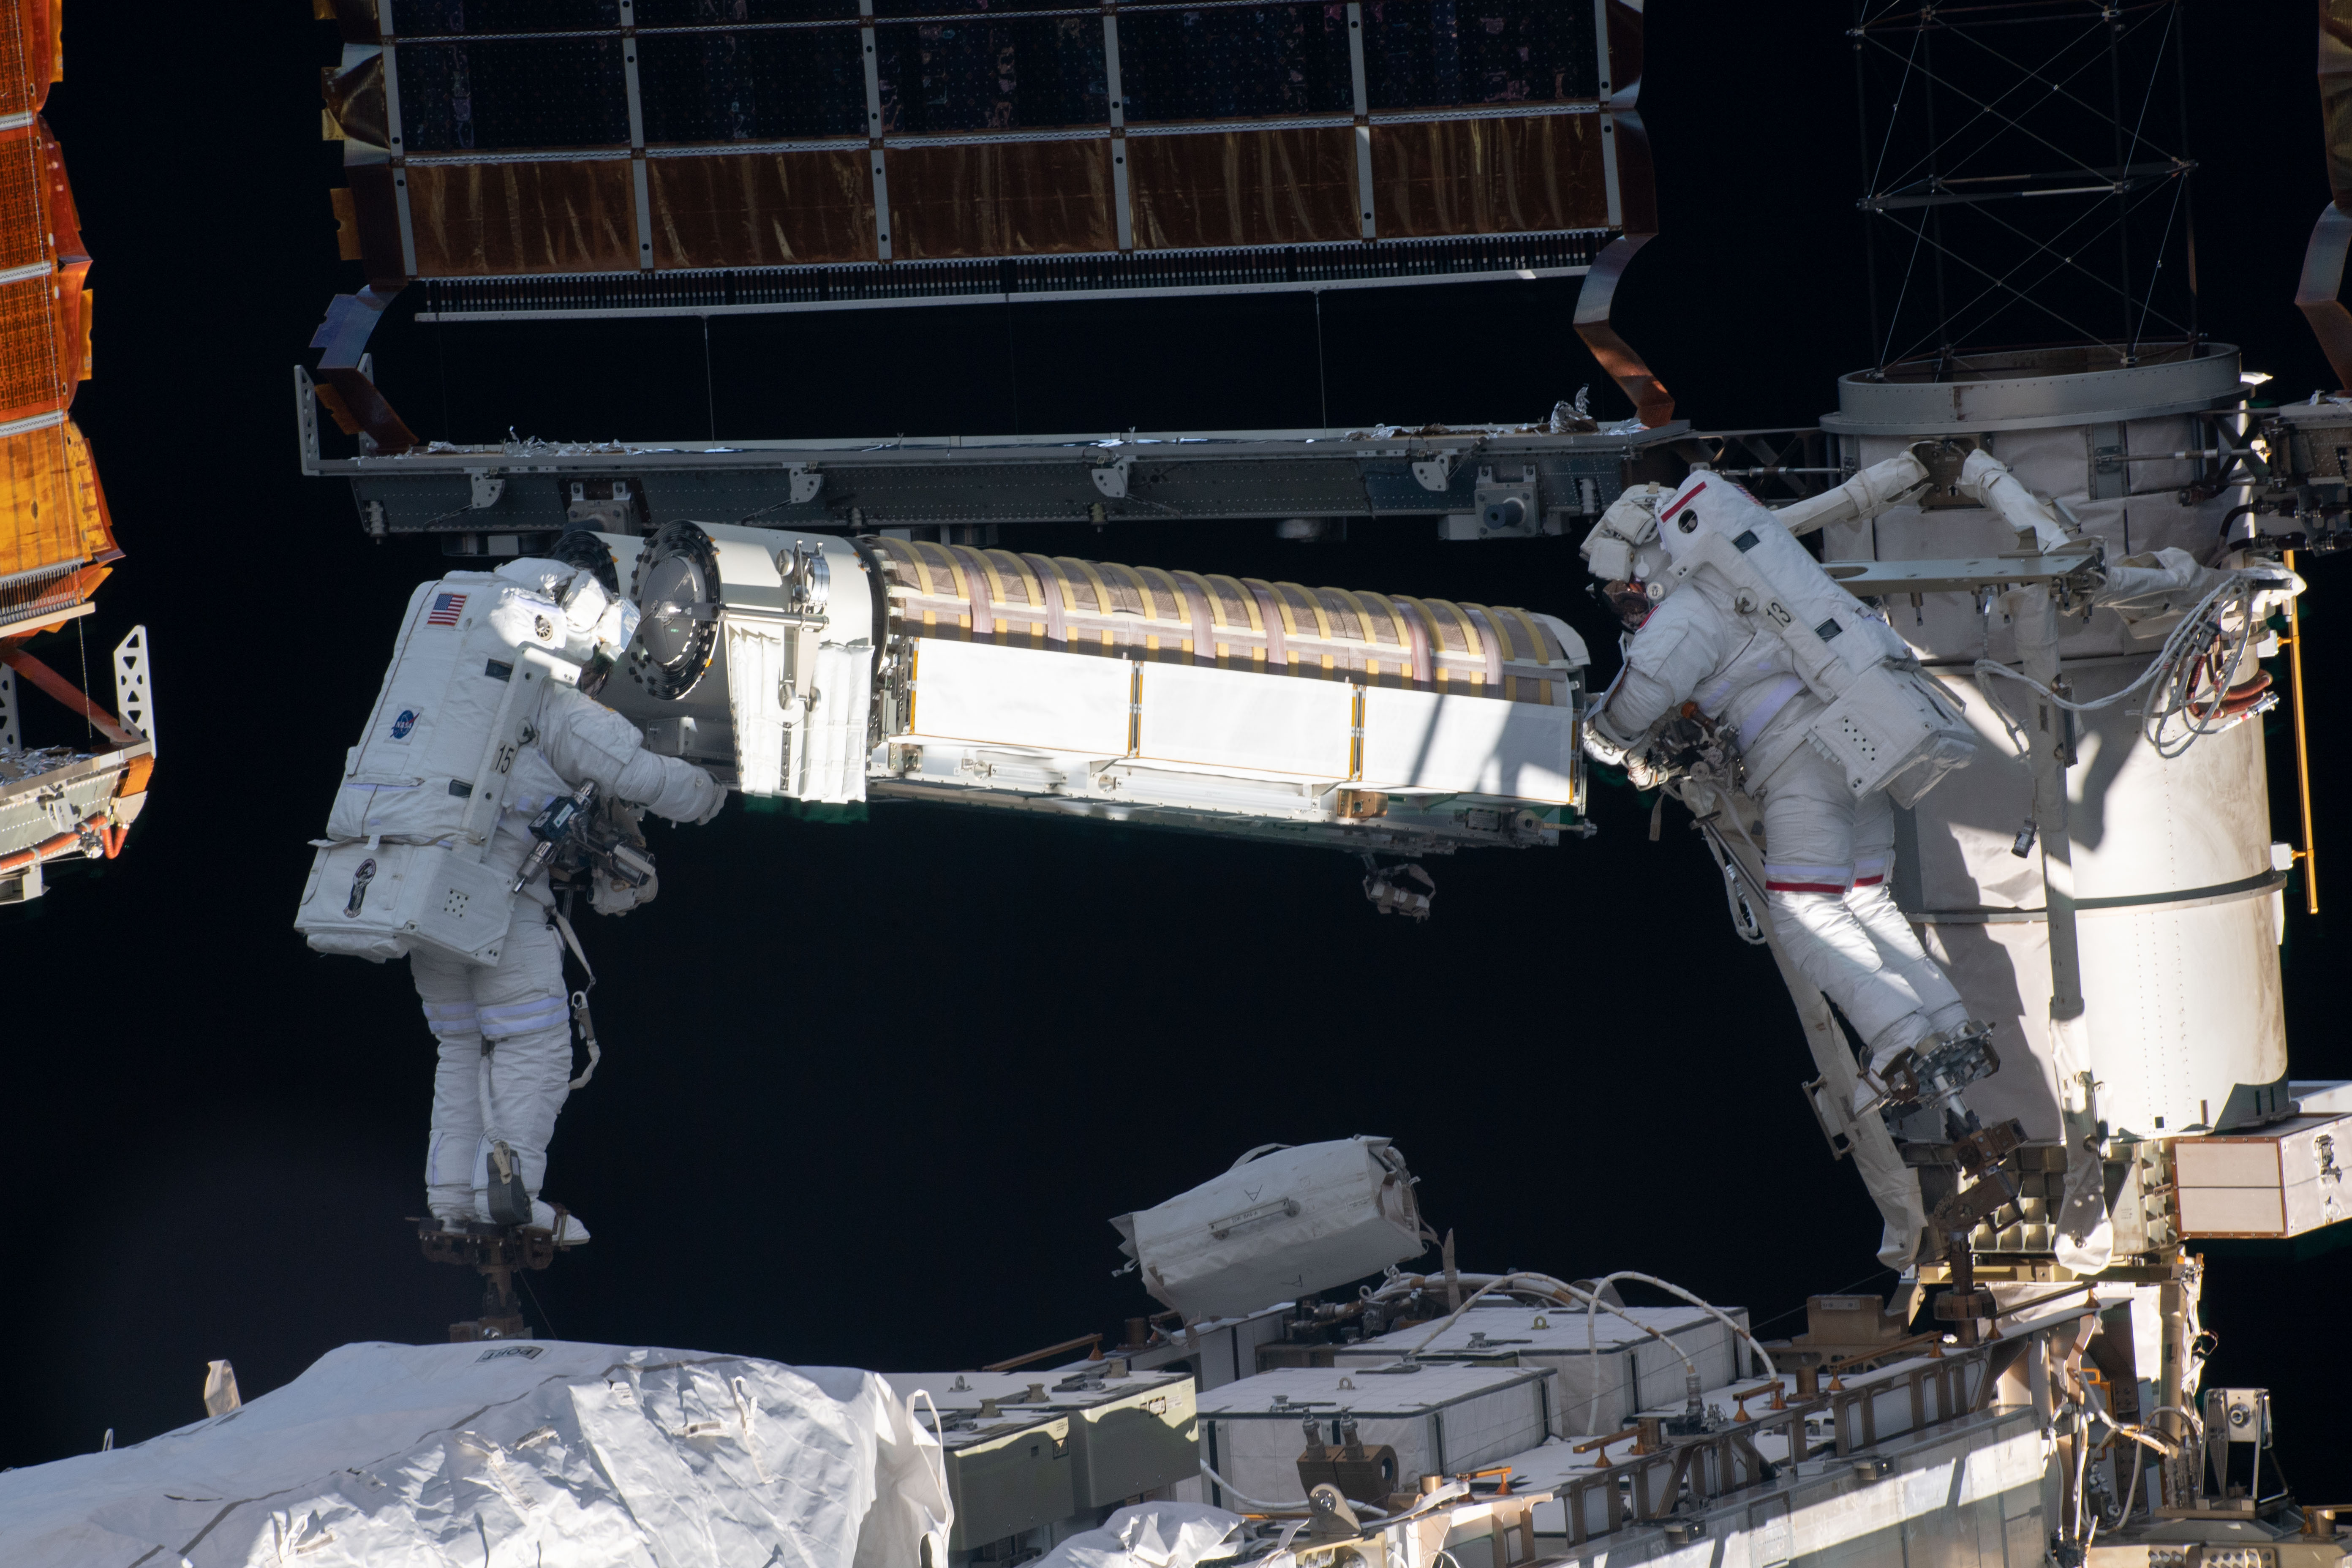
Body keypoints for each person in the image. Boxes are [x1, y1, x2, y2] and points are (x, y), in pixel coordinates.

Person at [308, 537, 724, 1243]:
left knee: (463, 1049)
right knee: (534, 1050)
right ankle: (509, 1193)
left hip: (420, 899)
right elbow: (650, 780)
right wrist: (713, 793)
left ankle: (452, 1197)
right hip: (500, 916)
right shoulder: (552, 703)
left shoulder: (459, 690)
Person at [1580, 477, 1979, 1115]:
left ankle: (1902, 1040)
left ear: (1650, 566)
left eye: (1628, 592)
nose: (1628, 609)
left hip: (1802, 762)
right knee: (1864, 900)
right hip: (1856, 737)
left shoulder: (1689, 611)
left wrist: (1596, 737)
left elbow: (1636, 702)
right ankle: (1949, 1025)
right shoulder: (1749, 578)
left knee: (1804, 914)